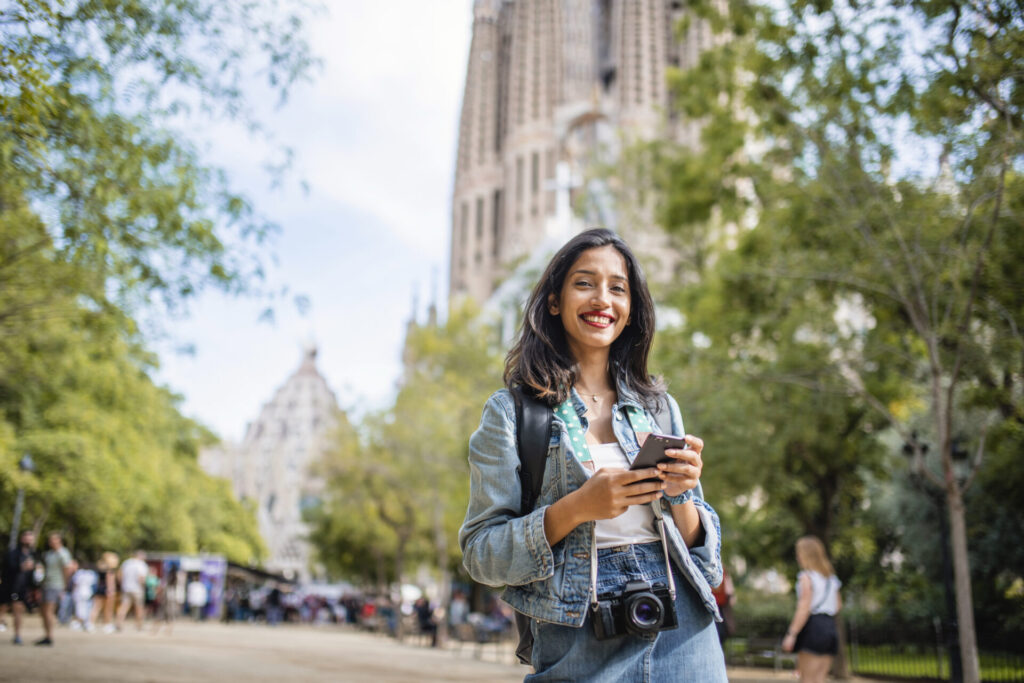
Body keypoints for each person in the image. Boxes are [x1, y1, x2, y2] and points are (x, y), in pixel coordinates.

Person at [459, 228, 727, 681]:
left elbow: (708, 564)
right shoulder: (512, 414)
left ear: (630, 311)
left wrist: (682, 495)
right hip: (578, 633)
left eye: (617, 288)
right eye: (584, 283)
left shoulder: (659, 408)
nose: (602, 299)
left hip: (684, 633)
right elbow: (481, 554)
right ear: (554, 301)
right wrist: (577, 509)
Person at [781, 535, 843, 683]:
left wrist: (792, 634)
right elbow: (838, 606)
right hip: (830, 628)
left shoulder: (806, 577)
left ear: (805, 555)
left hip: (813, 627)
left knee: (806, 679)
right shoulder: (831, 579)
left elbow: (804, 608)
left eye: (799, 553)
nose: (797, 556)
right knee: (820, 679)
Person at [0, 530, 38, 645]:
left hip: (22, 587)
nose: (28, 539)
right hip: (8, 585)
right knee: (2, 608)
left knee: (18, 609)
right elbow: (6, 568)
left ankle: (17, 634)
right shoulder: (12, 553)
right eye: (26, 536)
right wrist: (21, 566)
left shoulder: (34, 555)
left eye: (30, 537)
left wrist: (34, 587)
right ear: (21, 538)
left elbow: (35, 574)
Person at [38, 532, 74, 645]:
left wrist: (64, 586)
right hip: (46, 584)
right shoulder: (49, 554)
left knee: (49, 611)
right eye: (50, 540)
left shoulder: (63, 553)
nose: (51, 542)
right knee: (43, 611)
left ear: (59, 541)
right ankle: (46, 634)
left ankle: (49, 636)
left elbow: (67, 569)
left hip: (56, 585)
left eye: (54, 540)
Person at [116, 550, 149, 631]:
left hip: (126, 588)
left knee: (124, 606)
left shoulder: (126, 563)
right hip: (137, 589)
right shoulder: (141, 564)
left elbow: (119, 575)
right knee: (139, 607)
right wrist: (144, 587)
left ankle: (119, 623)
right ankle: (139, 625)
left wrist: (122, 584)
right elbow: (141, 578)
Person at [90, 551, 119, 634]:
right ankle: (107, 624)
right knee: (108, 609)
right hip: (108, 590)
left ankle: (91, 623)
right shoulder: (110, 570)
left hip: (100, 589)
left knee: (96, 607)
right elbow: (110, 580)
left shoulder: (101, 568)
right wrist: (111, 590)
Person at [711, 567, 735, 645]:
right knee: (721, 631)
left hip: (718, 605)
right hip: (718, 606)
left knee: (719, 631)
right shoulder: (722, 569)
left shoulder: (722, 569)